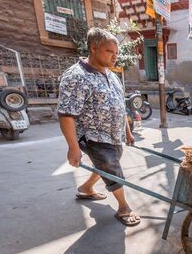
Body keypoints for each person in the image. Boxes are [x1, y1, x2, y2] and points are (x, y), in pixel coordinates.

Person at [57, 28, 140, 226]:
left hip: (114, 135)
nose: (114, 57)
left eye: (116, 53)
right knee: (111, 168)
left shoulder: (110, 75)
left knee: (105, 165)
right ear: (94, 48)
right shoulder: (76, 76)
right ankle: (123, 207)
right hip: (93, 136)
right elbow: (66, 114)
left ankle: (86, 188)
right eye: (110, 52)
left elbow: (120, 104)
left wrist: (127, 131)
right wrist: (73, 148)